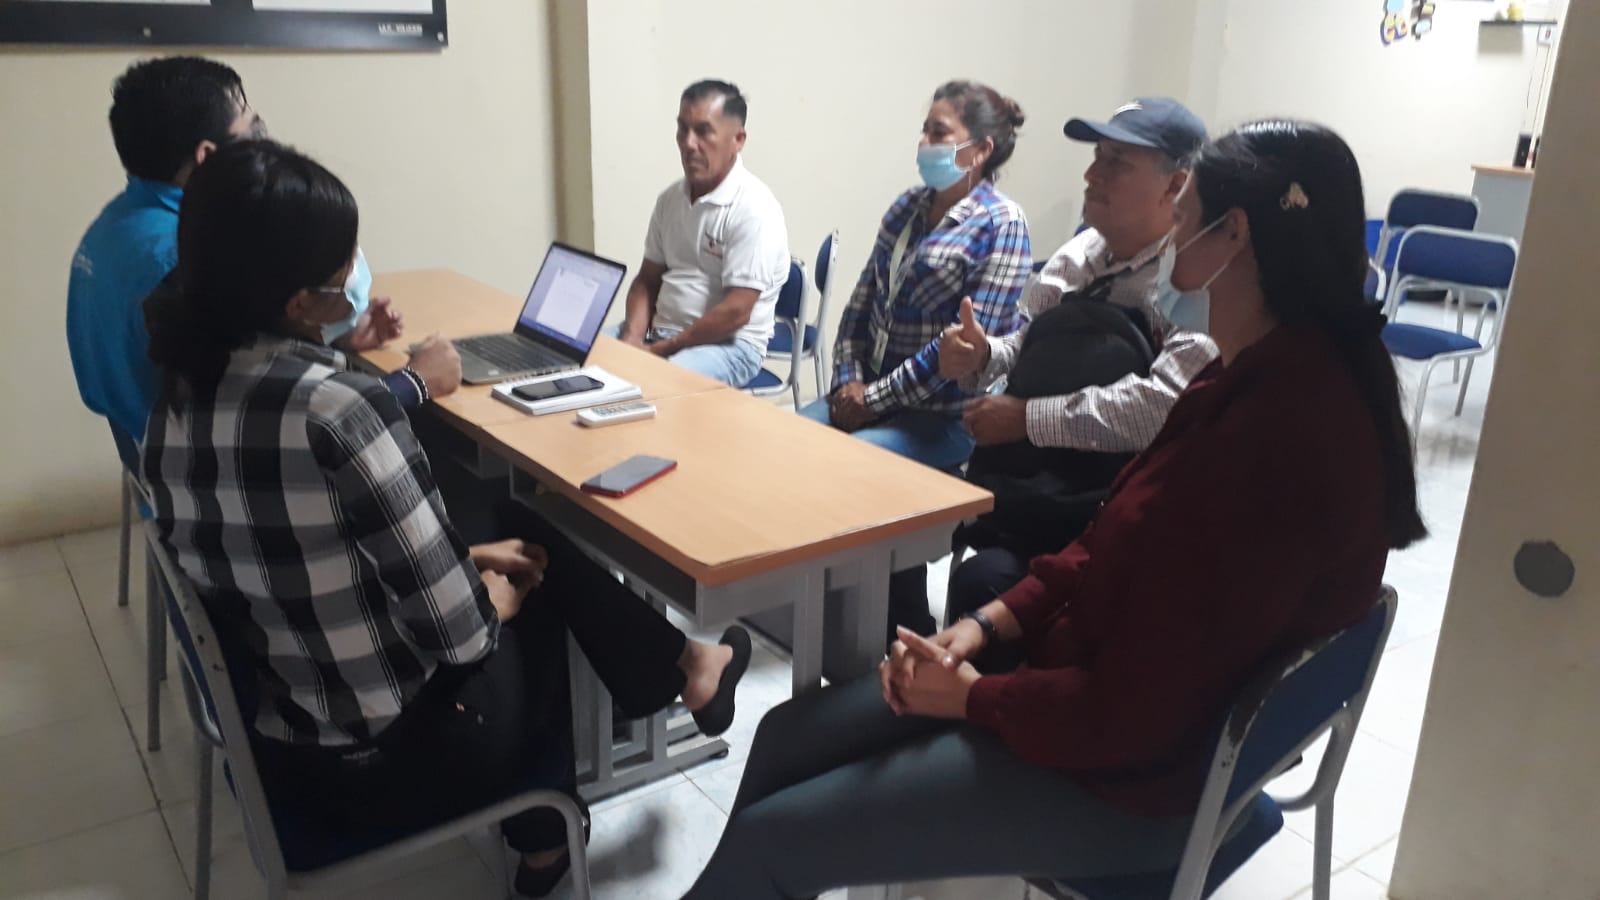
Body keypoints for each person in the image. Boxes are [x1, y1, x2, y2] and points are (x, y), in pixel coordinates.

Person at [683, 120, 1427, 899]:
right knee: (785, 737)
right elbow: (1109, 539)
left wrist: (974, 697)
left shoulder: (1279, 438)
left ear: (1233, 234)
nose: (1175, 222)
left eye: (1186, 207)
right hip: (1087, 700)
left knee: (776, 839)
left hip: (1133, 783)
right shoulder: (1240, 376)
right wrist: (986, 624)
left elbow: (1135, 711)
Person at [138, 141, 752, 899]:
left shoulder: (173, 408)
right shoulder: (339, 412)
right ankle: (547, 839)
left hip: (283, 753)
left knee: (509, 531)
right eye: (342, 271)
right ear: (297, 304)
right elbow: (462, 635)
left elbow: (305, 555)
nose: (353, 279)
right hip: (384, 768)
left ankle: (685, 668)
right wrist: (486, 596)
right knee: (535, 590)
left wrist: (467, 561)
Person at [65, 56, 459, 462]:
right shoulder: (187, 257)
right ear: (207, 156)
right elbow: (268, 418)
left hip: (153, 454)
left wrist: (330, 331)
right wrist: (413, 383)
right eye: (254, 130)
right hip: (215, 469)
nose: (264, 142)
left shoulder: (115, 226)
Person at [937, 96, 1217, 623]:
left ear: (1175, 186)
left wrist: (1027, 419)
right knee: (976, 577)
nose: (1092, 175)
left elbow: (1165, 406)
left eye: (1117, 162)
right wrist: (984, 355)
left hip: (1120, 521)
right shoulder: (1078, 256)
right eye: (1097, 156)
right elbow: (1029, 346)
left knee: (992, 592)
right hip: (1034, 497)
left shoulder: (1193, 279)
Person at [799, 79, 1032, 643]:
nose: (925, 142)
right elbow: (859, 305)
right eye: (925, 130)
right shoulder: (908, 207)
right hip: (871, 396)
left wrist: (872, 400)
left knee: (849, 466)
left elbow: (959, 354)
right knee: (789, 441)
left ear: (980, 151)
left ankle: (888, 630)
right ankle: (825, 617)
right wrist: (847, 382)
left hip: (945, 419)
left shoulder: (1002, 224)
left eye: (939, 133)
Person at [616, 79, 790, 387]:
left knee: (652, 381)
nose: (688, 143)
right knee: (581, 357)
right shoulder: (670, 200)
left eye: (703, 131)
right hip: (662, 334)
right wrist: (632, 339)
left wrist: (660, 351)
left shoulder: (755, 208)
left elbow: (736, 312)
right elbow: (646, 281)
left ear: (738, 139)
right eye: (682, 129)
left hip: (730, 346)